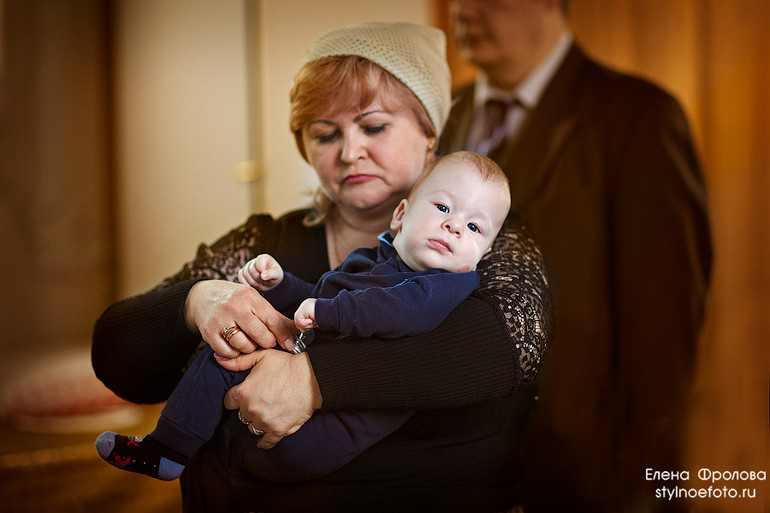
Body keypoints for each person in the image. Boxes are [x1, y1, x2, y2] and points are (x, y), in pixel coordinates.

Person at [92, 22, 550, 513]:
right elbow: (118, 357)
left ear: (428, 135)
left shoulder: (482, 238)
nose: (349, 152)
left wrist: (316, 380)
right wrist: (196, 301)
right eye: (325, 134)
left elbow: (503, 350)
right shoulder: (264, 243)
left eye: (374, 127)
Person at [438, 1, 713, 512]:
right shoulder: (442, 116)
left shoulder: (638, 116)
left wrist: (638, 484)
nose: (463, 10)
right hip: (454, 468)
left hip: (584, 472)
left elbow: (663, 329)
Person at [94, 151, 511, 483]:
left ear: (485, 254)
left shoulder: (446, 285)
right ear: (401, 215)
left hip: (325, 435)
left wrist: (327, 311)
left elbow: (399, 311)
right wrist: (279, 286)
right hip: (286, 427)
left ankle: (173, 449)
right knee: (226, 348)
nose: (455, 227)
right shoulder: (375, 259)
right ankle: (170, 450)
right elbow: (317, 298)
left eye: (475, 228)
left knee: (229, 368)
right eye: (443, 207)